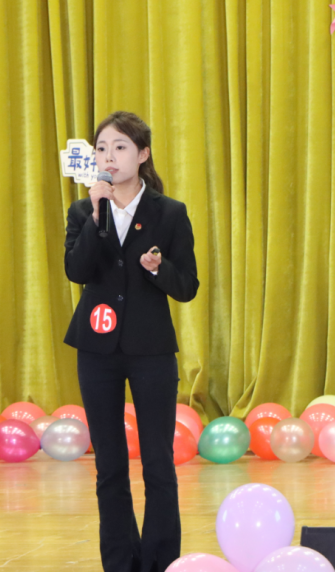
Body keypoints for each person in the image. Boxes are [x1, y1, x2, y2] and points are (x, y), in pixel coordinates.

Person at [63, 111, 200, 572]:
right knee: (110, 466)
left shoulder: (170, 212)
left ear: (142, 154)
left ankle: (161, 562)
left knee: (158, 463)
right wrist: (96, 214)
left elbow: (187, 286)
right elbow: (77, 271)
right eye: (102, 148)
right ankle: (120, 563)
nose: (109, 157)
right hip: (96, 350)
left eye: (120, 147)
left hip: (151, 351)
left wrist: (158, 269)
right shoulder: (83, 211)